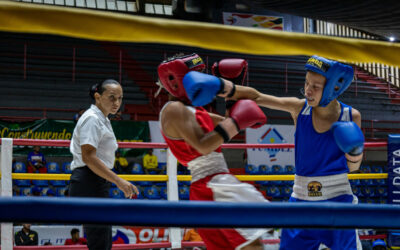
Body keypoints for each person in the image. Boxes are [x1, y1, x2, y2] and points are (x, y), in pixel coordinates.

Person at [183, 56, 364, 250]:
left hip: (337, 197)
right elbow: (258, 97)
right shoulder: (300, 109)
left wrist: (355, 152)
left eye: (316, 86)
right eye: (306, 83)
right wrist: (223, 87)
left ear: (333, 88)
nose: (308, 90)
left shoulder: (351, 116)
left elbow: (353, 168)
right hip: (302, 198)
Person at [156, 53, 269, 250]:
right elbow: (204, 145)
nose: (200, 80)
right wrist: (235, 121)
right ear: (175, 83)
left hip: (211, 185)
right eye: (195, 75)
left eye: (202, 74)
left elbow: (250, 99)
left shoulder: (196, 111)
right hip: (212, 186)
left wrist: (229, 86)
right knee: (253, 245)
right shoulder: (173, 109)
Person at [68, 79, 139, 250]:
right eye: (112, 97)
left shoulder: (102, 119)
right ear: (98, 97)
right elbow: (89, 157)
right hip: (89, 180)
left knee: (102, 239)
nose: (117, 103)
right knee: (99, 241)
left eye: (120, 98)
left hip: (95, 180)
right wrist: (119, 181)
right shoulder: (92, 119)